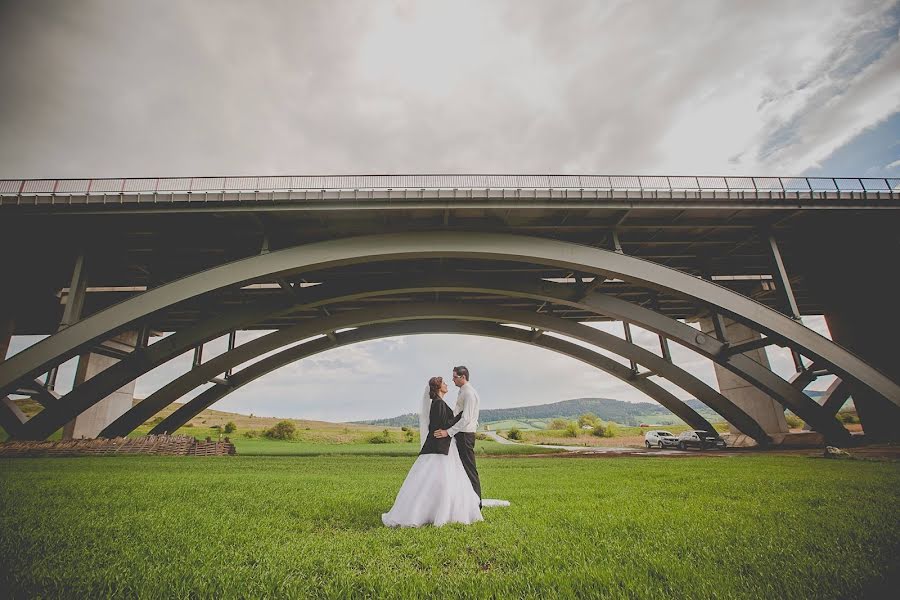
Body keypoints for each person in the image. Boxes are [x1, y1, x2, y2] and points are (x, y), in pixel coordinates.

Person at [381, 376, 483, 528]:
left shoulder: (439, 403)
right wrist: (461, 417)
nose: (447, 384)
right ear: (438, 388)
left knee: (440, 478)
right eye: (444, 383)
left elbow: (443, 424)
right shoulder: (439, 404)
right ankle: (433, 510)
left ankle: (438, 508)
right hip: (439, 446)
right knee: (440, 477)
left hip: (442, 445)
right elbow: (443, 424)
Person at [434, 365, 481, 507]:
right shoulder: (463, 392)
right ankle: (466, 501)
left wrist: (448, 432)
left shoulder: (469, 394)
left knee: (469, 469)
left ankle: (476, 503)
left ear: (463, 377)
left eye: (455, 377)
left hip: (465, 436)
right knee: (462, 469)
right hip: (462, 434)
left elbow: (466, 418)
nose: (452, 380)